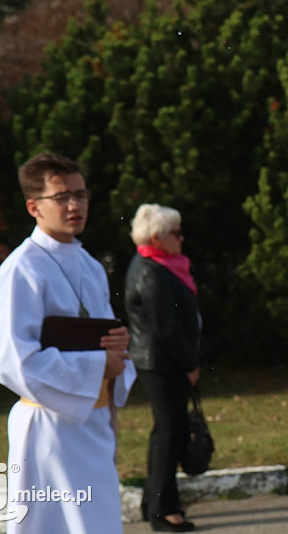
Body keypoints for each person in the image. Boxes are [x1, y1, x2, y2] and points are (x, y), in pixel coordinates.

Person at [0, 152, 136, 533]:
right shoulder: (21, 270)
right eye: (62, 196)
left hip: (92, 421)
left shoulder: (90, 265)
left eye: (81, 194)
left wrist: (117, 348)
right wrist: (99, 365)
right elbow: (11, 361)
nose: (75, 205)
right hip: (48, 425)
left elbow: (97, 336)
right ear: (34, 206)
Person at [125, 203, 202, 532]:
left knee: (165, 433)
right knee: (171, 434)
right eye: (176, 233)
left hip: (162, 362)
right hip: (162, 364)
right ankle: (165, 512)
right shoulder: (150, 270)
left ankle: (153, 503)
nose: (181, 238)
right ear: (157, 237)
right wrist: (189, 364)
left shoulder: (162, 265)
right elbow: (165, 327)